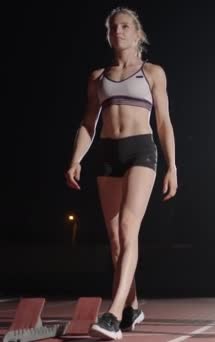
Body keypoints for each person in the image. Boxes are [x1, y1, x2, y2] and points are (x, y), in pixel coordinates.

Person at [65, 7, 177, 340]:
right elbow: (88, 123)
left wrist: (172, 165)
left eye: (125, 26)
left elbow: (163, 122)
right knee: (115, 241)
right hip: (107, 155)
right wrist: (75, 160)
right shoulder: (98, 76)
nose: (118, 32)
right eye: (113, 27)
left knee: (129, 228)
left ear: (137, 32)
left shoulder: (152, 72)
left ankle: (113, 315)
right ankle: (132, 306)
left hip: (141, 151)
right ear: (108, 34)